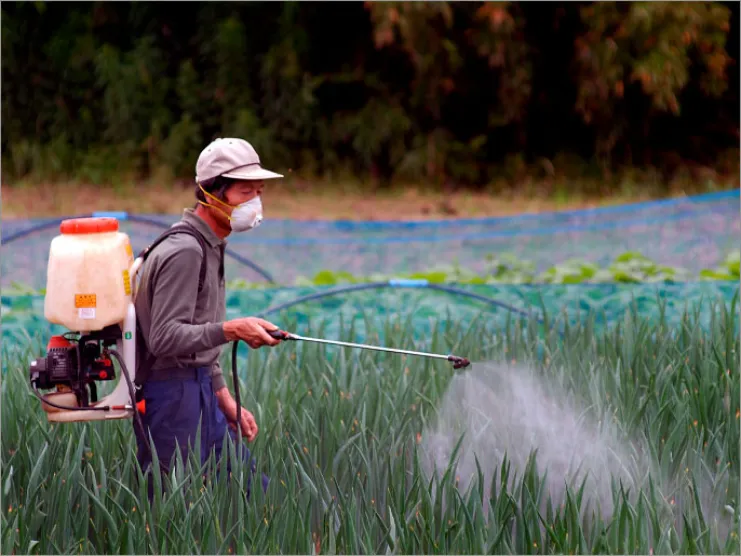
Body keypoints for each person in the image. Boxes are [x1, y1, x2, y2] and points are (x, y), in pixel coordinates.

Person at [132, 137, 283, 496]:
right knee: (175, 513)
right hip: (170, 396)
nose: (255, 203)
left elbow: (198, 330)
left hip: (199, 388)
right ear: (212, 191)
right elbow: (165, 337)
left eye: (259, 192)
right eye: (245, 192)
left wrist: (223, 397)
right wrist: (232, 329)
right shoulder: (185, 250)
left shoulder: (211, 244)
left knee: (254, 497)